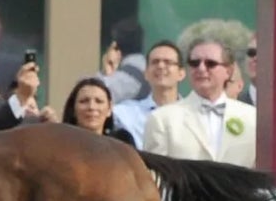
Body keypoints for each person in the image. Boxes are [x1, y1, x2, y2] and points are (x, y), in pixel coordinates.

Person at [143, 37, 256, 165]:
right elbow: (155, 176)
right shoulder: (162, 119)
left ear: (228, 71)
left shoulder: (252, 117)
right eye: (194, 63)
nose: (201, 68)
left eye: (211, 63)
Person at [111, 40, 182, 148]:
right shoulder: (124, 113)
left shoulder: (195, 115)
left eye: (168, 62)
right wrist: (109, 78)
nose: (161, 66)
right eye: (155, 62)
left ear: (181, 73)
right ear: (146, 73)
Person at [61, 77, 135, 145]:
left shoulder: (122, 141)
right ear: (73, 109)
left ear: (109, 109)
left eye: (99, 101)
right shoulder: (61, 143)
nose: (91, 107)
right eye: (84, 101)